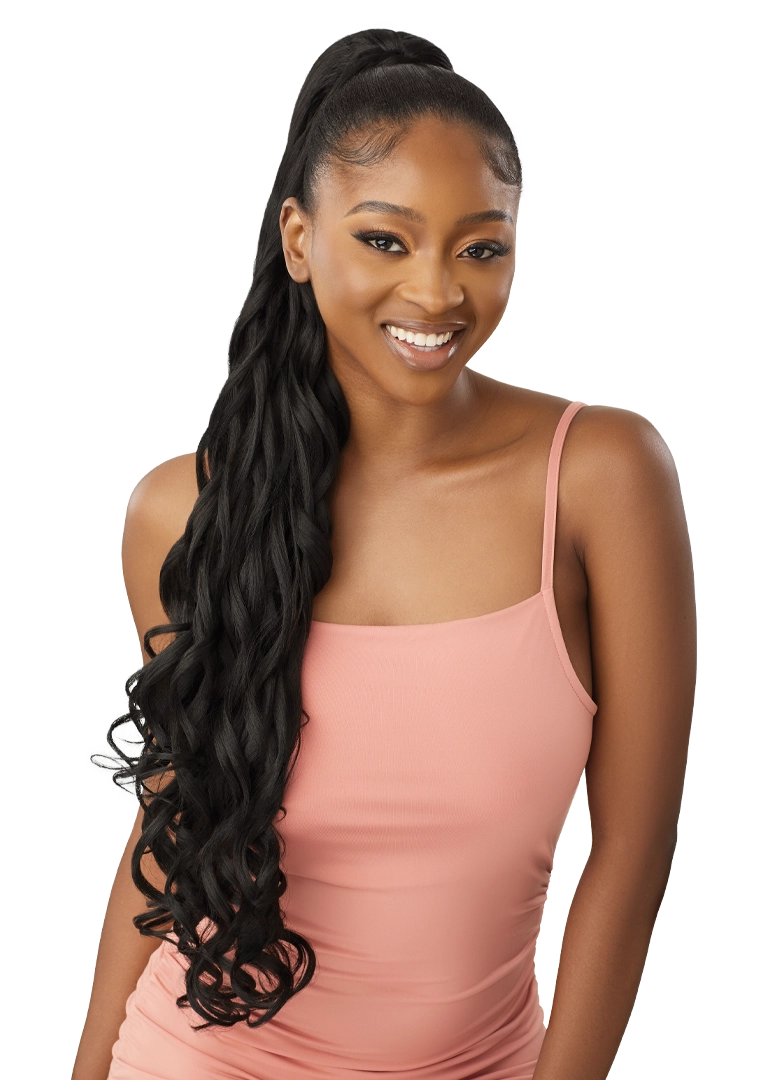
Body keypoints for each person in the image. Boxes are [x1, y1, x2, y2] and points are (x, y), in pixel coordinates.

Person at [76, 25, 697, 1080]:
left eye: (480, 248)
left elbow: (631, 855)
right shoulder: (184, 511)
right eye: (385, 241)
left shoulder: (599, 478)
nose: (437, 294)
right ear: (299, 240)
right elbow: (176, 831)